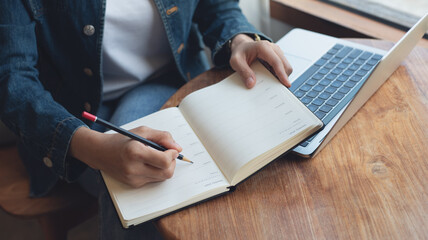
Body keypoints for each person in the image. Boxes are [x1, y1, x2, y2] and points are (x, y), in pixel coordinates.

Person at [0, 0, 292, 239]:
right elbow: (13, 80)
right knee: (143, 187)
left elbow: (216, 5)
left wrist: (240, 38)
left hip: (169, 82)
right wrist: (93, 148)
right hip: (70, 116)